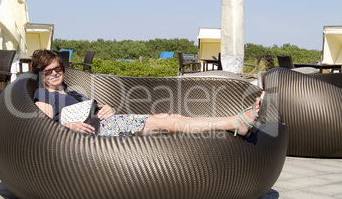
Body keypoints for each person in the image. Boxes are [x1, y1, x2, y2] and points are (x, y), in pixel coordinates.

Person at [32, 50, 266, 137]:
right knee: (170, 121)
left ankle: (235, 121)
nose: (55, 73)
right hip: (102, 131)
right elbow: (41, 127)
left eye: (58, 68)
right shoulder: (44, 95)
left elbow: (95, 109)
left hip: (110, 121)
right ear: (40, 73)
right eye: (49, 70)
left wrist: (107, 108)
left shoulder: (72, 91)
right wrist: (70, 126)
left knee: (169, 116)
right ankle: (237, 123)